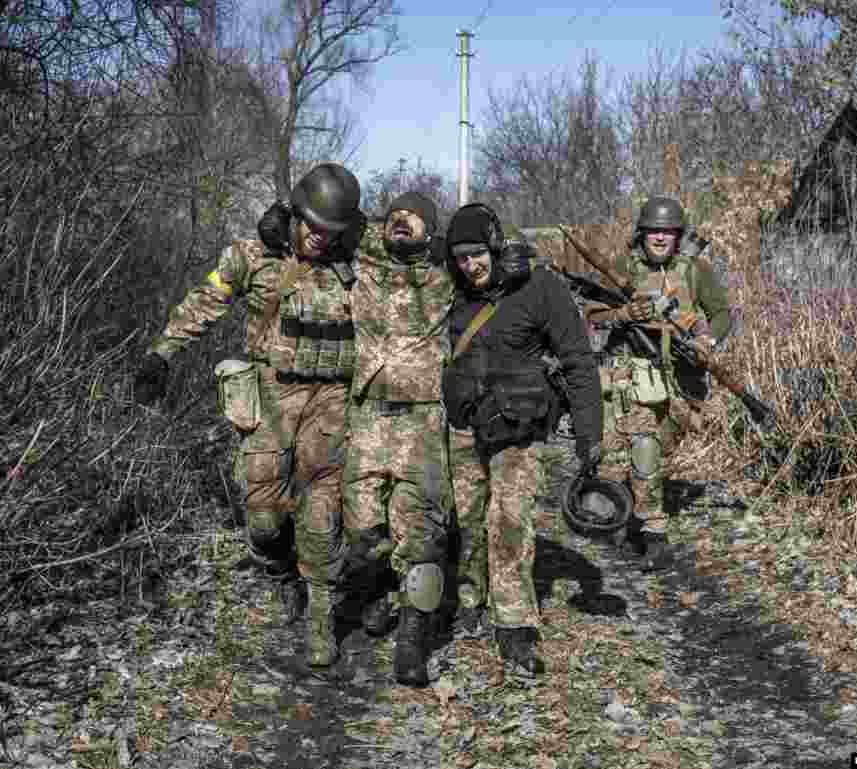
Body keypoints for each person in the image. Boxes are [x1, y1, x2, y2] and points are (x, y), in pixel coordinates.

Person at [133, 162, 364, 668]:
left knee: (322, 515)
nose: (322, 241)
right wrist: (161, 354)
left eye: (333, 233)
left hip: (332, 403)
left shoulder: (359, 264)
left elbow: (418, 283)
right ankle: (283, 574)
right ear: (296, 214)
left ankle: (322, 620)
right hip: (270, 397)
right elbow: (205, 299)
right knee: (263, 518)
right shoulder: (252, 256)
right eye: (315, 229)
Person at [441, 203, 602, 677]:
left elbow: (577, 358)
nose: (471, 266)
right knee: (468, 520)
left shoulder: (538, 287)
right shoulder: (446, 289)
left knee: (509, 519)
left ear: (495, 247)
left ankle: (514, 627)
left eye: (478, 255)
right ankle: (471, 598)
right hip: (463, 426)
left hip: (518, 427)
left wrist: (590, 434)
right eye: (460, 258)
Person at [581, 195, 731, 571]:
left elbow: (722, 313)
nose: (660, 239)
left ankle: (627, 513)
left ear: (678, 235)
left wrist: (706, 340)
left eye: (668, 232)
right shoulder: (623, 268)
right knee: (635, 451)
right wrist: (623, 313)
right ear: (642, 234)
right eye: (653, 232)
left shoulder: (696, 270)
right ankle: (651, 531)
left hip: (679, 379)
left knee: (655, 451)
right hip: (630, 375)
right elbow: (591, 312)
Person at [344, 191, 455, 687]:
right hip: (367, 415)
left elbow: (490, 257)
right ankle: (379, 592)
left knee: (423, 535)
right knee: (363, 528)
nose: (400, 223)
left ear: (431, 230)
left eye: (413, 219)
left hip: (422, 421)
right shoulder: (361, 263)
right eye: (393, 218)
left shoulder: (444, 276)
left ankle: (413, 640)